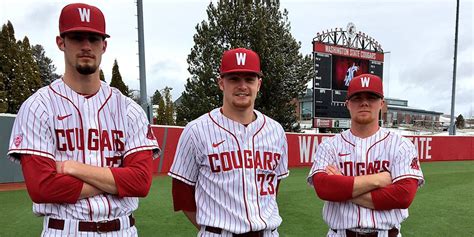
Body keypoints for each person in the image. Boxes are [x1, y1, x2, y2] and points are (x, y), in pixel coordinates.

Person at [7, 3, 159, 236]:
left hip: (123, 229)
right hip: (64, 230)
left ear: (104, 45)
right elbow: (42, 188)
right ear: (61, 42)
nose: (86, 46)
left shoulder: (129, 109)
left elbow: (140, 182)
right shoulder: (38, 107)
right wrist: (116, 181)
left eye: (94, 38)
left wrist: (72, 168)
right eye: (77, 37)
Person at [168, 48, 289, 237]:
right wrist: (213, 228)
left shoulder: (276, 131)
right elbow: (182, 193)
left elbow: (275, 185)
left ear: (259, 84)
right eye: (234, 79)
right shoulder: (196, 130)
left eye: (249, 79)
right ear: (221, 83)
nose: (242, 86)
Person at [307, 74, 424, 237]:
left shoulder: (401, 145)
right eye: (357, 98)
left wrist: (342, 187)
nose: (364, 102)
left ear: (382, 104)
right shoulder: (329, 145)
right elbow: (324, 188)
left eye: (371, 97)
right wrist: (377, 180)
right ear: (347, 104)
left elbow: (403, 196)